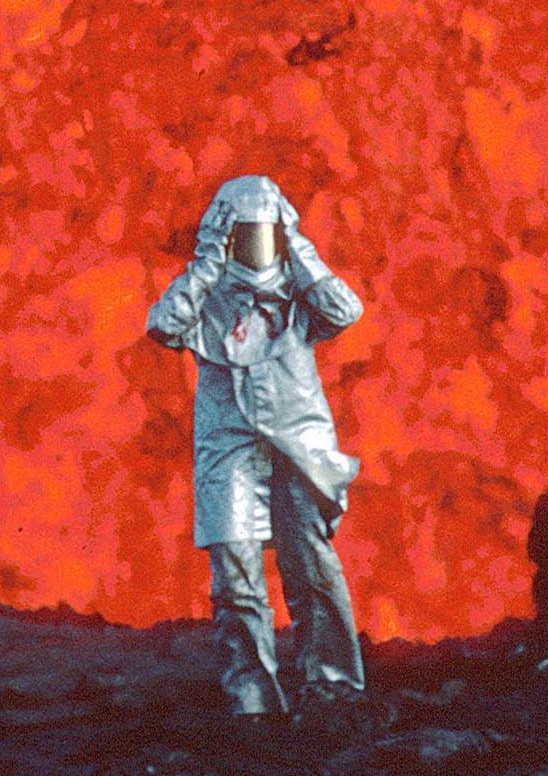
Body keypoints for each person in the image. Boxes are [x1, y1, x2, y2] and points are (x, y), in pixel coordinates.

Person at [145, 174, 367, 717]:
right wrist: (205, 267)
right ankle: (252, 698)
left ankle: (332, 685)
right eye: (243, 233)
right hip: (230, 443)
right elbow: (163, 325)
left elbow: (345, 311)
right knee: (235, 567)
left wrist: (300, 251)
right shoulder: (208, 294)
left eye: (264, 232)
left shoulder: (299, 289)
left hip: (298, 439)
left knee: (310, 563)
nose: (255, 245)